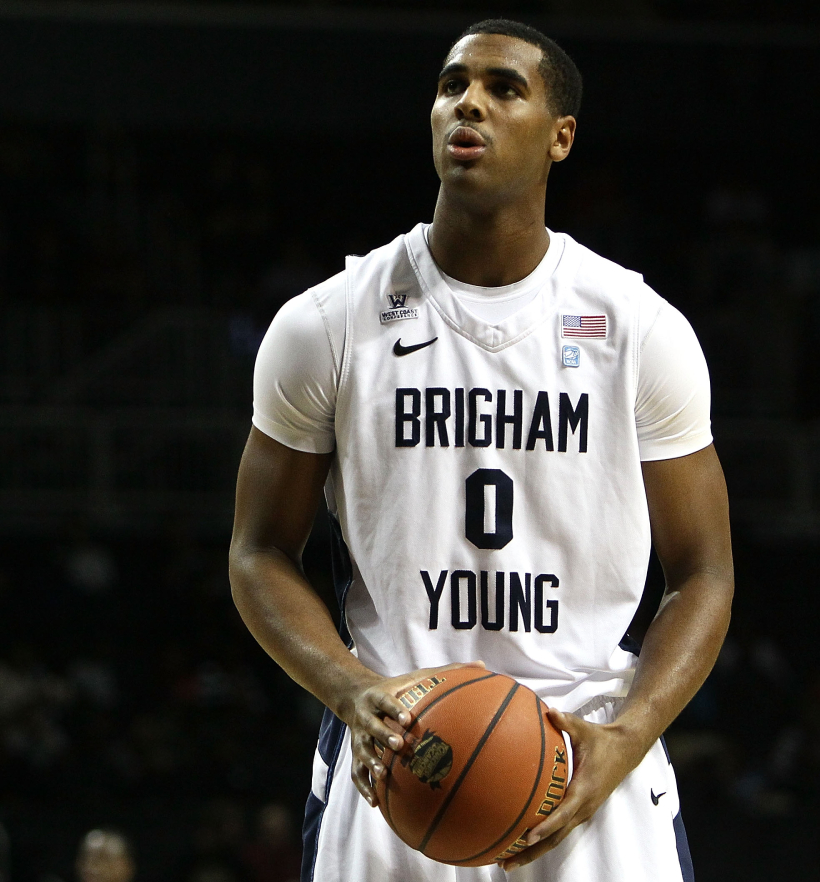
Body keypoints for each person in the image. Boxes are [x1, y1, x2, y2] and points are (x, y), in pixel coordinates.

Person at [228, 18, 733, 882]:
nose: (469, 102)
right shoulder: (329, 323)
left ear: (560, 137)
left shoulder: (639, 330)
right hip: (395, 742)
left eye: (505, 88)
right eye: (452, 84)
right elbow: (258, 551)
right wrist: (349, 690)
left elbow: (704, 573)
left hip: (583, 749)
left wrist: (629, 735)